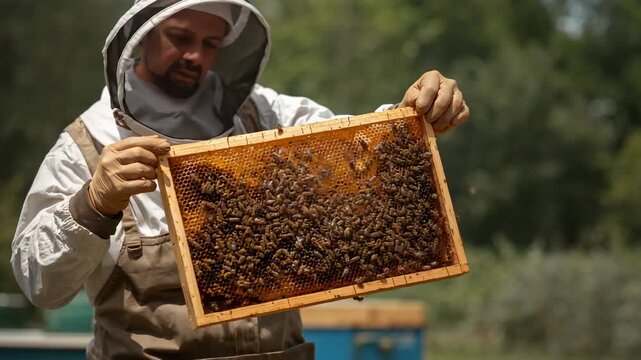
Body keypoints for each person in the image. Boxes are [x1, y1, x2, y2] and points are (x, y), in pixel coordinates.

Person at [11, 0, 469, 359]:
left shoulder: (265, 115)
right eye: (180, 37)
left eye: (211, 44)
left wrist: (412, 116)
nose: (195, 55)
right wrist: (92, 204)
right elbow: (39, 283)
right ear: (140, 34)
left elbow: (353, 149)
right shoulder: (86, 146)